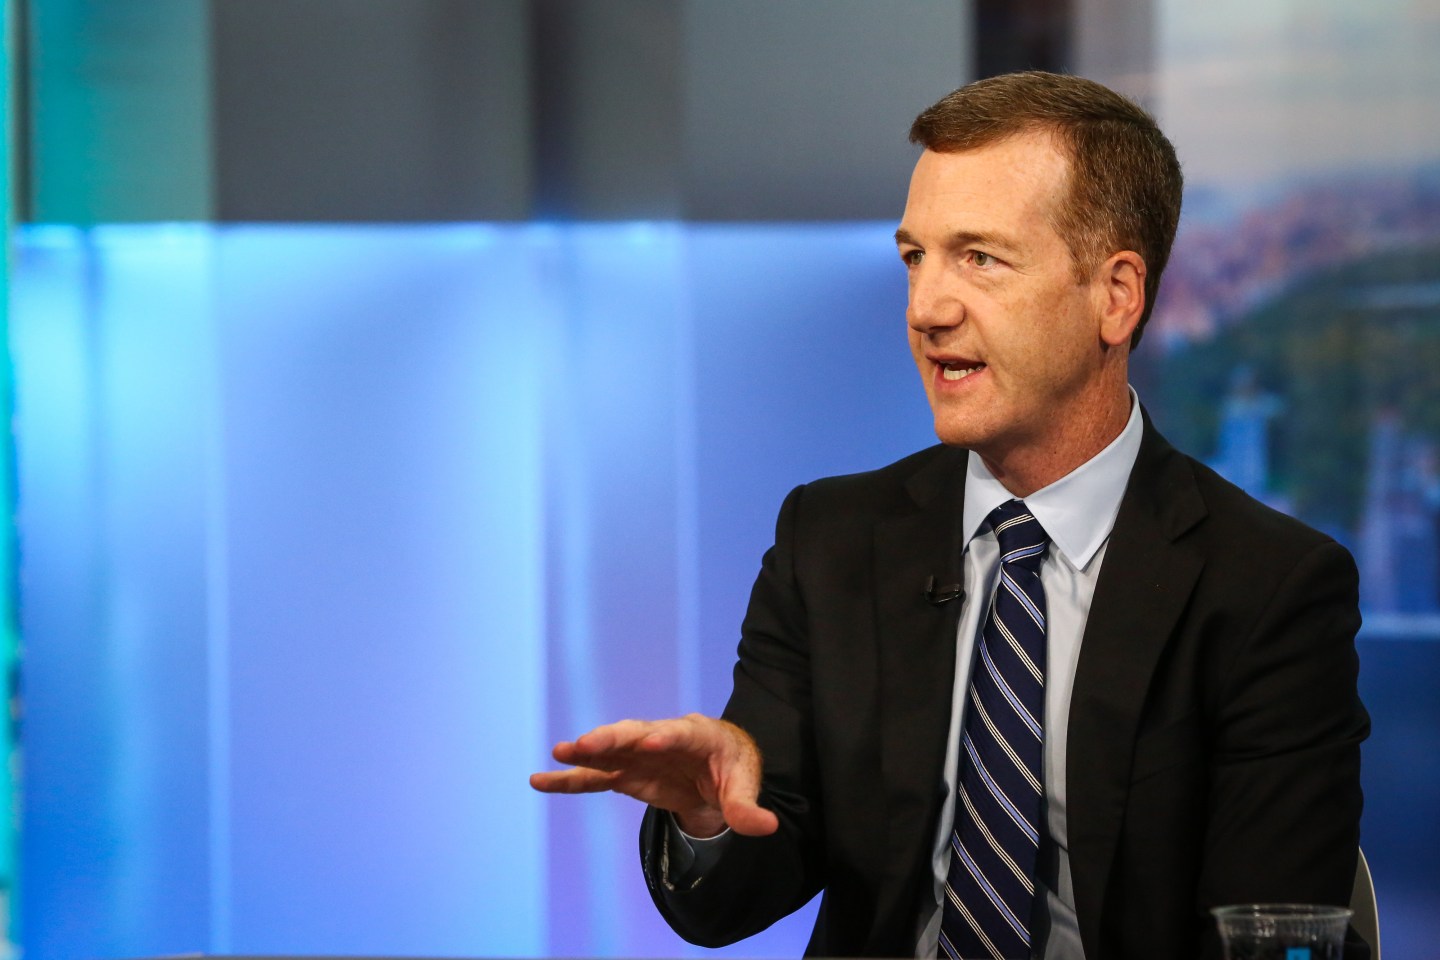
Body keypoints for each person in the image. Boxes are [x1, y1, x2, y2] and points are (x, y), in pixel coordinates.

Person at [530, 71, 1369, 960]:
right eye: (915, 257)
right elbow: (730, 902)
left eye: (980, 258)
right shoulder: (832, 541)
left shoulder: (1270, 588)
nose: (927, 308)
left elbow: (1273, 929)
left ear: (1116, 296)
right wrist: (706, 816)